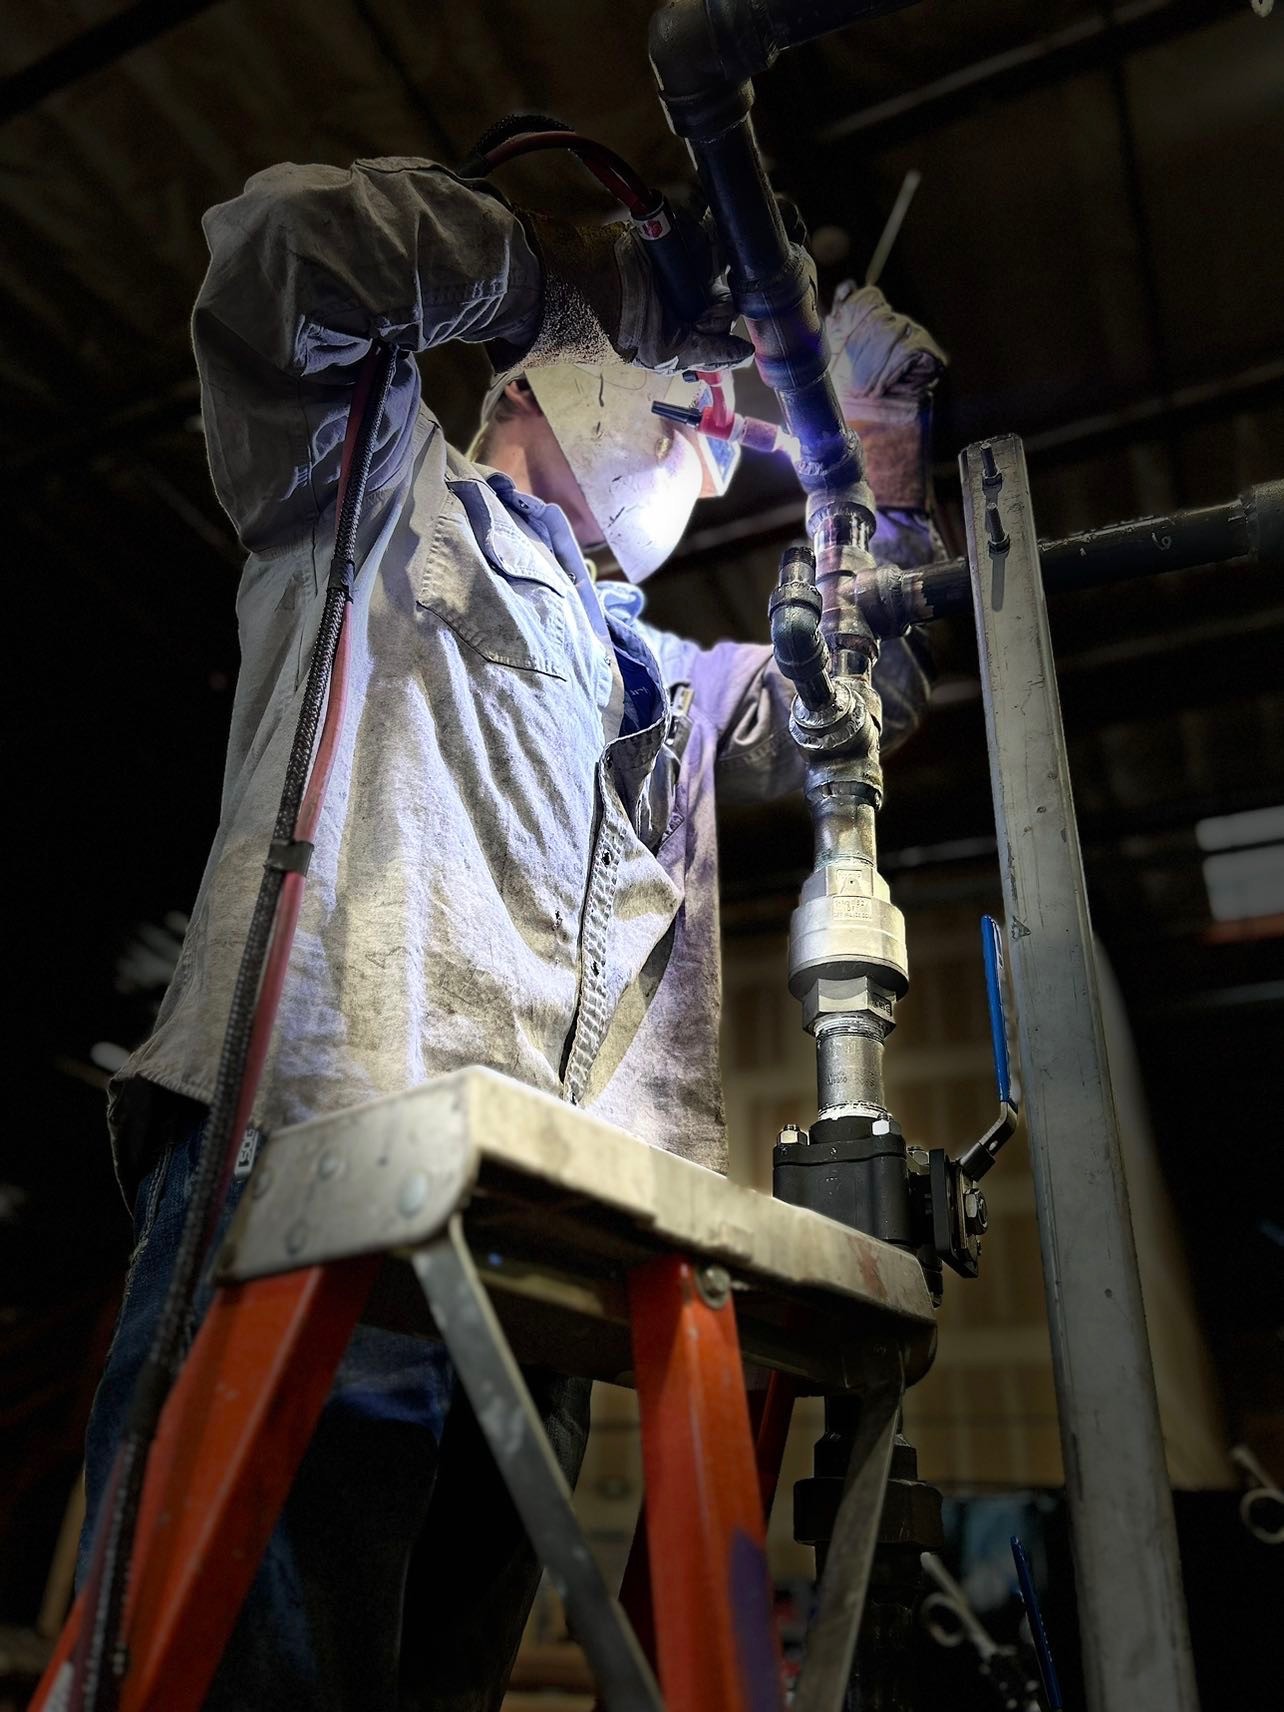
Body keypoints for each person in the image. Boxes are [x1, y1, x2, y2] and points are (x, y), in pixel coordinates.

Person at [78, 156, 946, 1710]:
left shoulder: (674, 690)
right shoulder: (366, 492)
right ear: (545, 383)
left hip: (548, 1262)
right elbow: (285, 254)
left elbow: (860, 710)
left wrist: (876, 467)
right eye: (679, 401)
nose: (699, 439)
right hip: (304, 1178)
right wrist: (589, 274)